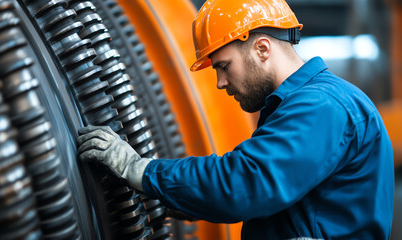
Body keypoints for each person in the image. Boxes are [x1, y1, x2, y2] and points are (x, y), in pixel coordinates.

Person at [77, 0, 394, 239]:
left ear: (262, 48)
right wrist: (189, 198)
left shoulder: (321, 106)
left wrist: (139, 169)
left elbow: (245, 181)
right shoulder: (304, 106)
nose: (220, 83)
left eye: (224, 66)